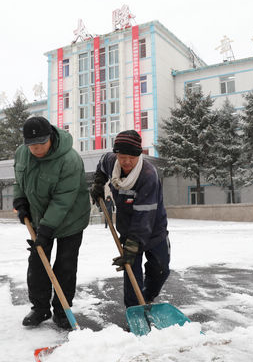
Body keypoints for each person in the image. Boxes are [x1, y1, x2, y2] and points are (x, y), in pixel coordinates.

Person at [13, 116, 90, 330]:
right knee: (37, 262)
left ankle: (62, 310)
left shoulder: (70, 160)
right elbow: (19, 181)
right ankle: (40, 308)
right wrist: (20, 201)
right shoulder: (22, 153)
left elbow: (63, 199)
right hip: (39, 216)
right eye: (31, 145)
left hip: (71, 218)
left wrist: (46, 229)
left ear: (51, 138)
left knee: (65, 264)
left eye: (41, 144)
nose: (36, 150)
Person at [90, 130, 170, 308]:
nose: (126, 162)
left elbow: (144, 216)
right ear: (116, 154)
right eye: (121, 156)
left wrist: (134, 245)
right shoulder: (111, 161)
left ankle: (147, 297)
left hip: (154, 227)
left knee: (161, 269)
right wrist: (98, 182)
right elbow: (102, 163)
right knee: (131, 270)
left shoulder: (148, 175)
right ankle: (134, 308)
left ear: (139, 154)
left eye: (131, 157)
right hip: (127, 227)